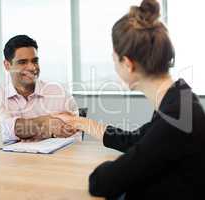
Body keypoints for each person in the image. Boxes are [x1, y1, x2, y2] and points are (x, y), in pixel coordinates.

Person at [53, 0, 205, 199]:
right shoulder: (179, 100)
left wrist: (107, 167)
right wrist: (79, 122)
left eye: (114, 59)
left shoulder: (178, 116)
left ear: (127, 63)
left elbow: (103, 182)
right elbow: (136, 141)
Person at [0, 35, 79, 143]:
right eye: (23, 62)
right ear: (7, 65)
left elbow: (74, 138)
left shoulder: (60, 94)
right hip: (11, 159)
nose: (32, 67)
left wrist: (24, 130)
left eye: (35, 61)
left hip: (54, 159)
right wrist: (44, 123)